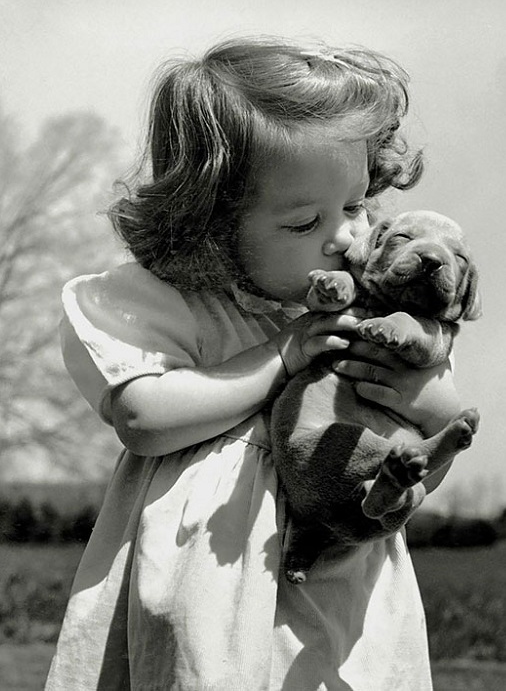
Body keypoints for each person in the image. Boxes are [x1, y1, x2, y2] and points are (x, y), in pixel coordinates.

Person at [46, 37, 461, 690]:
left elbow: (430, 435)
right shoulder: (179, 306)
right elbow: (142, 416)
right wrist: (280, 355)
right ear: (212, 225)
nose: (345, 235)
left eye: (353, 206)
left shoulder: (368, 311)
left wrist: (422, 403)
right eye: (303, 223)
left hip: (341, 579)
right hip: (210, 580)